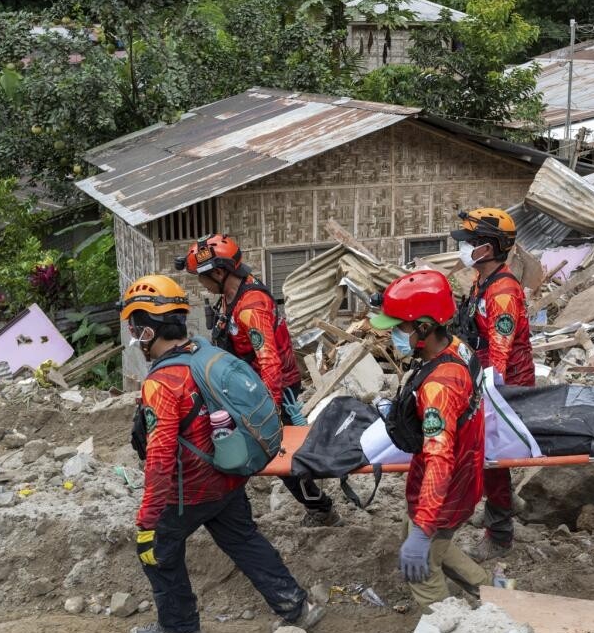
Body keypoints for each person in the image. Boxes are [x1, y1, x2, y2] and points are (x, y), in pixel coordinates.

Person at [120, 275, 324, 633]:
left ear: (148, 331)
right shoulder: (205, 353)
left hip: (189, 492)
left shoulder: (162, 382)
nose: (135, 337)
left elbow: (160, 457)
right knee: (243, 539)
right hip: (227, 477)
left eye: (136, 328)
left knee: (156, 556)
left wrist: (148, 521)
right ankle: (297, 607)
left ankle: (178, 628)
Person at [177, 234, 342, 528]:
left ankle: (321, 508)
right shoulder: (231, 295)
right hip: (250, 387)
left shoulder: (251, 307)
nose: (200, 284)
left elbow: (269, 360)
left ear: (219, 272)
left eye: (202, 277)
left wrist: (269, 408)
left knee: (278, 455)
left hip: (269, 389)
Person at [368, 270, 491, 609]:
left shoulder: (439, 386)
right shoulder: (457, 348)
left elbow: (440, 459)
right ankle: (496, 591)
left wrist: (424, 529)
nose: (392, 334)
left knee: (421, 567)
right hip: (462, 476)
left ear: (423, 327)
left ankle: (449, 621)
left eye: (399, 327)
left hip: (446, 486)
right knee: (428, 540)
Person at [449, 208, 533, 563]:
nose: (464, 248)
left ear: (490, 247)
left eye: (470, 242)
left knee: (490, 456)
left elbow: (499, 350)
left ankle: (500, 535)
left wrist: (488, 392)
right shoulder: (481, 281)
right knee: (486, 456)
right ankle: (504, 502)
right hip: (485, 377)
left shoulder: (502, 293)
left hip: (505, 385)